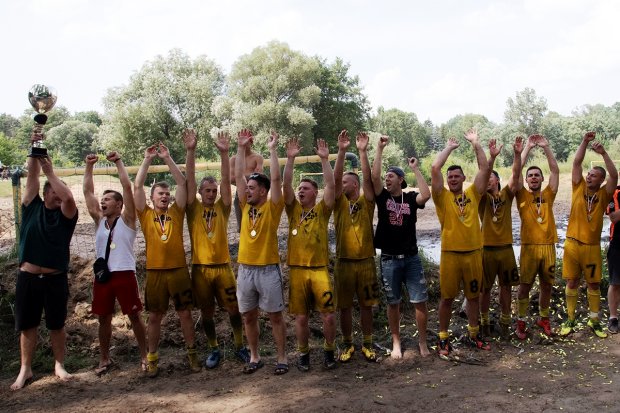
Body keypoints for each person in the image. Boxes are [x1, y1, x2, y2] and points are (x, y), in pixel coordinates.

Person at [11, 144, 78, 390]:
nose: (60, 196)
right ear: (46, 193)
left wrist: (51, 172)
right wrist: (35, 147)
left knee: (56, 324)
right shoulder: (31, 205)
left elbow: (69, 197)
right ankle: (25, 369)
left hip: (55, 278)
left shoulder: (67, 214)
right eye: (55, 193)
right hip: (28, 277)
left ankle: (59, 365)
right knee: (27, 325)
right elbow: (32, 176)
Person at [184, 129, 249, 368]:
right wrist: (190, 151)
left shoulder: (223, 207)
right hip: (200, 269)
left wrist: (225, 154)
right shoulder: (192, 208)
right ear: (200, 193)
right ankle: (213, 348)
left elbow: (225, 180)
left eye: (214, 191)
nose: (211, 194)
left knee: (233, 308)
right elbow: (189, 179)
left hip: (223, 267)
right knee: (207, 312)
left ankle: (239, 345)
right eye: (207, 191)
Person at [134, 141, 199, 377]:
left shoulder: (176, 212)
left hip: (179, 271)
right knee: (154, 317)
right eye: (160, 194)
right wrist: (147, 159)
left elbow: (182, 183)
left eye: (166, 194)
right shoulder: (146, 214)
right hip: (155, 272)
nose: (164, 196)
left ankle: (192, 354)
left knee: (185, 314)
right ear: (152, 198)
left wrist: (168, 158)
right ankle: (152, 358)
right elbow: (137, 185)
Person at [83, 151, 148, 376]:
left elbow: (127, 187)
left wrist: (119, 162)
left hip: (124, 274)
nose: (103, 201)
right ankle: (104, 358)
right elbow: (87, 192)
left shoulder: (128, 220)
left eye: (108, 199)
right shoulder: (99, 221)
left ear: (119, 204)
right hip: (103, 276)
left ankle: (145, 355)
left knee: (134, 316)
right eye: (103, 199)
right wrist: (89, 166)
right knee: (103, 318)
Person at [431, 129, 493, 356]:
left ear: (464, 178)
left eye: (457, 176)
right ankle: (443, 338)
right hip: (450, 254)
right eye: (450, 177)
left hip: (473, 254)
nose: (453, 179)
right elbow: (435, 168)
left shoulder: (474, 193)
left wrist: (476, 143)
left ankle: (474, 334)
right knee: (447, 298)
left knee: (473, 296)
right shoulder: (441, 196)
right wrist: (449, 147)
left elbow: (485, 169)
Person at [372, 135, 431, 359]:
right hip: (388, 258)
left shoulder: (410, 199)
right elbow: (374, 176)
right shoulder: (382, 197)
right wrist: (379, 149)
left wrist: (415, 169)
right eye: (386, 176)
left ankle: (423, 342)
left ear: (400, 180)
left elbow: (427, 195)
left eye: (391, 176)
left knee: (420, 302)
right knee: (393, 303)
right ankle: (396, 342)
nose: (386, 179)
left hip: (411, 258)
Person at [235, 129, 288, 375]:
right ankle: (255, 357)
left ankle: (282, 358)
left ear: (263, 191)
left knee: (275, 317)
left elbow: (276, 180)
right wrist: (240, 147)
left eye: (252, 187)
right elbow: (236, 176)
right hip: (245, 269)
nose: (247, 190)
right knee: (248, 317)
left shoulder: (273, 207)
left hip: (268, 270)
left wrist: (273, 150)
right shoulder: (246, 206)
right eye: (247, 188)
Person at [283, 137, 337, 371]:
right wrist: (291, 158)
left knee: (328, 316)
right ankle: (303, 354)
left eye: (305, 188)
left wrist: (325, 160)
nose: (300, 191)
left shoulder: (322, 210)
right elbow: (285, 185)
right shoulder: (293, 209)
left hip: (319, 271)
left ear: (315, 192)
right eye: (299, 189)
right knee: (301, 318)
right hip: (297, 272)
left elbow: (332, 187)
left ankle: (329, 351)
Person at [560, 132, 618, 338]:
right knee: (572, 282)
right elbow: (576, 163)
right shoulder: (578, 187)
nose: (589, 176)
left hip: (592, 247)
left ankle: (594, 320)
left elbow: (614, 175)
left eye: (594, 175)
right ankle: (570, 318)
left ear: (601, 180)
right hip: (572, 244)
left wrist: (603, 154)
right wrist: (584, 141)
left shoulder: (604, 194)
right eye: (589, 174)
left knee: (593, 284)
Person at [333, 130, 380, 363]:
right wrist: (342, 151)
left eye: (344, 182)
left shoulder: (366, 201)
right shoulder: (338, 203)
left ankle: (368, 344)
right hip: (343, 263)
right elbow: (335, 177)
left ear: (354, 184)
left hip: (366, 262)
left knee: (366, 306)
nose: (340, 185)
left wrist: (362, 151)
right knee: (344, 307)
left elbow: (369, 181)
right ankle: (348, 343)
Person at [514, 135, 560, 339]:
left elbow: (555, 171)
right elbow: (515, 172)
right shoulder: (521, 194)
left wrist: (546, 147)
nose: (533, 177)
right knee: (524, 286)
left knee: (547, 285)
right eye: (530, 175)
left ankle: (544, 318)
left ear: (541, 179)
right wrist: (527, 149)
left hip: (548, 246)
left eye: (536, 175)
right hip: (529, 247)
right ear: (526, 180)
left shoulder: (549, 194)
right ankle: (521, 321)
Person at [478, 137, 522, 339]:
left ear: (496, 180)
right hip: (486, 249)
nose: (487, 180)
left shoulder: (506, 194)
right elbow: (483, 170)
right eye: (485, 177)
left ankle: (505, 323)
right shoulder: (481, 197)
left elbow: (515, 174)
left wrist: (517, 154)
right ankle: (485, 322)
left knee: (506, 287)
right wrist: (492, 158)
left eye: (491, 178)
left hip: (505, 249)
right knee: (484, 289)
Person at [230, 134, 264, 232]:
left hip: (256, 192)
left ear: (251, 142)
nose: (244, 143)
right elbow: (231, 178)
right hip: (240, 192)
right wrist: (248, 177)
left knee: (257, 222)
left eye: (246, 140)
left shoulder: (257, 158)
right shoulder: (233, 159)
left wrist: (240, 177)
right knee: (241, 226)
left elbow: (259, 175)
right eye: (241, 140)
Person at [606, 185, 620, 334]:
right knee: (615, 282)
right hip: (617, 243)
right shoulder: (615, 192)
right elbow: (614, 217)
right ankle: (613, 318)